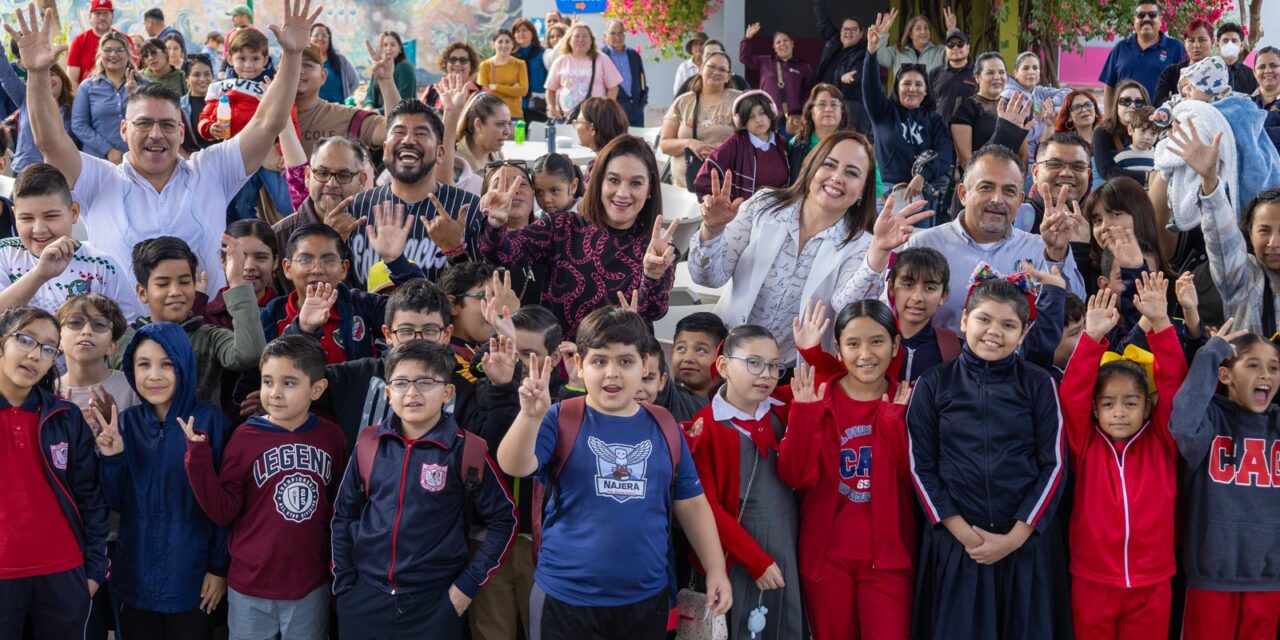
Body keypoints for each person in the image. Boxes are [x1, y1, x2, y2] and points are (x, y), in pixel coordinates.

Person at [13, 0, 318, 294]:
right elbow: (50, 141)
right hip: (119, 329)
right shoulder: (99, 180)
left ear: (181, 131)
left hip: (205, 326)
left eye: (168, 125)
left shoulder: (211, 171)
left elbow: (267, 123)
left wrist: (292, 55)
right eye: (144, 124)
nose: (156, 134)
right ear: (124, 130)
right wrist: (37, 74)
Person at [496, 306, 733, 639]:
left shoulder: (664, 424)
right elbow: (514, 465)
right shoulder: (561, 417)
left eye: (625, 361)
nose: (612, 373)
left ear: (644, 365)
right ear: (580, 365)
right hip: (566, 598)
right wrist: (529, 417)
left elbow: (691, 503)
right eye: (599, 361)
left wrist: (716, 568)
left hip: (645, 599)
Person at [907, 279, 1066, 640]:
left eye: (1008, 325)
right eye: (984, 319)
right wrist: (966, 536)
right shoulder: (933, 383)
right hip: (959, 546)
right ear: (964, 320)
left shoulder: (1038, 384)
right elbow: (921, 467)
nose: (994, 332)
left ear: (1023, 334)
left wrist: (1014, 537)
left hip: (1024, 545)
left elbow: (1054, 465)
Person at [332, 341, 517, 639]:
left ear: (447, 392)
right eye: (401, 383)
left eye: (425, 382)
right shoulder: (368, 444)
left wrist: (466, 588)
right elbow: (343, 515)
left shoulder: (467, 450)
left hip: (435, 602)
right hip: (364, 597)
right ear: (388, 392)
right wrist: (344, 583)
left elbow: (504, 520)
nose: (412, 392)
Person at [182, 336, 348, 640]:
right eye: (268, 381)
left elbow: (340, 510)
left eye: (289, 383)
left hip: (310, 583)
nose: (275, 392)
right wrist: (198, 460)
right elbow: (223, 511)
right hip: (250, 584)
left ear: (317, 389)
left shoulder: (332, 437)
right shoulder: (244, 437)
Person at [689, 130, 902, 363]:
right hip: (727, 358)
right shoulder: (763, 206)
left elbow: (847, 310)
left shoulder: (863, 245)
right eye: (829, 165)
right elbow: (708, 278)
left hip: (794, 375)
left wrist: (879, 253)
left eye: (851, 173)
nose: (836, 177)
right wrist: (712, 231)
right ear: (811, 168)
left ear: (863, 190)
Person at [782, 301, 917, 639]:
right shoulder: (816, 398)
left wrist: (892, 422)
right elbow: (795, 476)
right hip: (826, 561)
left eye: (877, 341)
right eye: (853, 343)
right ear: (839, 351)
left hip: (890, 563)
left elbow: (915, 480)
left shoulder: (908, 401)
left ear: (895, 346)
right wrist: (804, 415)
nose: (865, 354)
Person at [1060, 284, 1187, 639]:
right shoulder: (1085, 445)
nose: (1119, 412)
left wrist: (1161, 324)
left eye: (1130, 403)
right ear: (1094, 409)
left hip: (1153, 580)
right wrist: (1091, 337)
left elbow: (1175, 384)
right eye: (1108, 404)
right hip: (1092, 579)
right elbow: (1072, 393)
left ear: (1147, 407)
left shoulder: (1162, 442)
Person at [95, 322, 232, 640]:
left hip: (192, 578)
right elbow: (116, 501)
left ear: (184, 364)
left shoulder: (211, 422)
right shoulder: (126, 423)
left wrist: (218, 567)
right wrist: (112, 457)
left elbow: (226, 506)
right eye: (143, 364)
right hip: (136, 577)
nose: (154, 375)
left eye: (167, 364)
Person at [479, 136, 676, 339]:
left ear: (650, 189)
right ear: (599, 182)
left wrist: (652, 276)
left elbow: (652, 312)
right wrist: (496, 225)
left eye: (636, 183)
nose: (623, 193)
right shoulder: (561, 227)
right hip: (557, 355)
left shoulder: (656, 248)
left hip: (619, 355)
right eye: (613, 180)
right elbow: (501, 254)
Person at [687, 324, 805, 640]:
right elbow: (706, 507)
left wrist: (809, 350)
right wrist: (756, 560)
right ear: (723, 365)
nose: (766, 374)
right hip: (737, 546)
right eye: (754, 363)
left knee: (785, 623)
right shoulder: (705, 427)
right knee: (742, 623)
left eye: (774, 366)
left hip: (787, 536)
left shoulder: (785, 406)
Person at [0, 307, 110, 640]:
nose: (36, 355)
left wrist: (93, 573)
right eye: (25, 340)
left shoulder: (65, 416)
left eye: (49, 348)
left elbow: (90, 496)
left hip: (63, 574)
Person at [1171, 317, 1280, 640]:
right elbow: (1183, 425)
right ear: (1225, 375)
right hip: (1211, 577)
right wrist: (1209, 355)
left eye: (1274, 368)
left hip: (1269, 579)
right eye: (1253, 365)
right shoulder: (1209, 420)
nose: (1266, 374)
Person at [903, 145, 1086, 333]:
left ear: (1020, 200)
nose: (997, 199)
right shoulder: (924, 245)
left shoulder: (1042, 249)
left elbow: (1073, 317)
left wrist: (1057, 255)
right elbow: (894, 311)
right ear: (963, 194)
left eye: (1009, 191)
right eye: (986, 188)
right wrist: (883, 254)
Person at [346, 98, 484, 284]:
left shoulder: (468, 210)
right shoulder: (356, 209)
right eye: (399, 132)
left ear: (440, 153)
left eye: (421, 133)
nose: (409, 140)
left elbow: (482, 291)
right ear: (385, 149)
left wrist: (455, 250)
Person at [266, 218, 425, 363]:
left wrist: (396, 261)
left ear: (344, 268)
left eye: (329, 260)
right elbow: (273, 370)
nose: (317, 269)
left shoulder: (362, 305)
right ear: (287, 268)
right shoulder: (271, 316)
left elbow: (423, 308)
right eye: (305, 260)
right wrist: (303, 328)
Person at [0, 163, 144, 321]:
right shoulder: (4, 253)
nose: (39, 229)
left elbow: (130, 327)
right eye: (27, 218)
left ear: (74, 212)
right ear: (15, 215)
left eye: (51, 216)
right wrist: (39, 274)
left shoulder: (102, 266)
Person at [862, 15, 952, 216]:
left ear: (926, 91)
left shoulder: (934, 119)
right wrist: (871, 52)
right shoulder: (882, 112)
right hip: (886, 196)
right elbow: (870, 85)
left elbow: (945, 155)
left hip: (922, 196)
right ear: (897, 88)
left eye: (919, 84)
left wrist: (922, 175)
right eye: (906, 84)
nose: (912, 89)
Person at [294, 42, 401, 158]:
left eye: (308, 65)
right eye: (292, 64)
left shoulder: (345, 117)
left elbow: (392, 132)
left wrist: (386, 81)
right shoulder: (277, 118)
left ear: (323, 76)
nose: (299, 70)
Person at [273, 135, 370, 253]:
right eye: (322, 173)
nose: (331, 184)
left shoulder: (379, 229)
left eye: (344, 175)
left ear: (361, 181)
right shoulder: (278, 238)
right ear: (307, 176)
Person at [660, 51, 742, 190]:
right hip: (684, 188)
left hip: (727, 187)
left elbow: (755, 138)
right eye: (711, 66)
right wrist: (690, 144)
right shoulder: (683, 101)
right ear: (701, 69)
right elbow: (664, 144)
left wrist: (726, 149)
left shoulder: (739, 101)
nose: (716, 72)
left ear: (728, 77)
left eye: (722, 69)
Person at [694, 90, 789, 202]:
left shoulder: (781, 142)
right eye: (750, 116)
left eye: (762, 113)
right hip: (747, 209)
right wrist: (709, 197)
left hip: (781, 205)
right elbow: (704, 176)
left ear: (771, 112)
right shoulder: (734, 144)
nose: (758, 120)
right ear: (741, 121)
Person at [56, 293, 140, 416]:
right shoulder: (47, 393)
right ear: (58, 340)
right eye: (75, 322)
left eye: (100, 324)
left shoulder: (132, 388)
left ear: (111, 346)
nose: (87, 331)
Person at [1099, 2, 1185, 110]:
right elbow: (1109, 86)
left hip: (1160, 117)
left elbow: (1184, 86)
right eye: (1141, 15)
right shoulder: (1120, 48)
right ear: (1134, 20)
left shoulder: (1176, 48)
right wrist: (1108, 117)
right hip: (1125, 117)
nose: (1146, 18)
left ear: (1160, 19)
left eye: (1152, 14)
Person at [0, 48, 74, 173]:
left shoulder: (74, 107)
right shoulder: (26, 98)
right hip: (23, 171)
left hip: (57, 174)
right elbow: (5, 74)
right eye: (43, 77)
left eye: (52, 74)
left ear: (62, 77)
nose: (48, 79)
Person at [951, 52, 1030, 169]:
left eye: (1001, 72)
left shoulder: (1013, 107)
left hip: (1011, 177)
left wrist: (1018, 179)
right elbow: (965, 160)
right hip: (978, 177)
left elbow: (1023, 156)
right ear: (977, 77)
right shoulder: (965, 107)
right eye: (990, 73)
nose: (997, 77)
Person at [70, 31, 137, 164]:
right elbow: (79, 125)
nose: (113, 54)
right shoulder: (87, 87)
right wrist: (107, 150)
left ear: (128, 54)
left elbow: (153, 118)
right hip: (98, 161)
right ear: (100, 54)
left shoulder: (142, 84)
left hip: (136, 159)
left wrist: (137, 95)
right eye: (107, 50)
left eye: (119, 50)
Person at [740, 22, 814, 134]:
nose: (782, 44)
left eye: (785, 40)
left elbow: (809, 90)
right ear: (774, 47)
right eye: (778, 42)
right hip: (767, 116)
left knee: (790, 145)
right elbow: (744, 58)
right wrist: (747, 38)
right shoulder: (765, 61)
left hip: (790, 119)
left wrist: (801, 108)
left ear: (792, 43)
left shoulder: (802, 66)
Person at [545, 23, 622, 122]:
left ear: (591, 41)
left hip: (594, 119)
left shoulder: (602, 59)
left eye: (585, 36)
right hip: (566, 119)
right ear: (569, 40)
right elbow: (550, 89)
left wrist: (606, 109)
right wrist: (552, 107)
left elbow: (613, 87)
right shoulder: (560, 61)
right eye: (576, 36)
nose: (581, 40)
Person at [812, 0, 869, 132]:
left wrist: (852, 76)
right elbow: (822, 20)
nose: (849, 32)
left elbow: (861, 73)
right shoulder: (834, 41)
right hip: (824, 104)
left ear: (861, 34)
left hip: (847, 110)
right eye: (845, 29)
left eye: (853, 29)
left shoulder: (864, 53)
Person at [786, 83, 851, 184]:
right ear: (811, 112)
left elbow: (873, 186)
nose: (828, 109)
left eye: (834, 104)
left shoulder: (854, 146)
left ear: (842, 111)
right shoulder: (795, 144)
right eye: (822, 105)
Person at [1093, 79, 1150, 182]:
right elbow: (1106, 171)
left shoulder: (1153, 131)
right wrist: (1147, 177)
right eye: (1126, 101)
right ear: (1116, 104)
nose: (1132, 106)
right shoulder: (1102, 132)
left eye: (1139, 102)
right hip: (1115, 189)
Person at [65, 0, 129, 86]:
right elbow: (72, 80)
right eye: (97, 13)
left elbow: (134, 71)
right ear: (90, 16)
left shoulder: (125, 40)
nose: (102, 18)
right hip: (89, 93)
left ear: (112, 16)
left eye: (106, 13)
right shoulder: (79, 42)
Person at [874, 7, 953, 75]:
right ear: (910, 34)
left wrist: (952, 31)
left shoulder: (940, 51)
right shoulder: (898, 52)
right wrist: (884, 32)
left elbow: (954, 55)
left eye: (926, 28)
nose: (923, 31)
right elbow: (879, 55)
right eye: (918, 28)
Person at [1154, 19, 1215, 107]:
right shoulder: (1171, 72)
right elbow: (1158, 103)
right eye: (1191, 40)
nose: (1196, 45)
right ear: (1185, 43)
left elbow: (1224, 101)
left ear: (1212, 42)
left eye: (1202, 40)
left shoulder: (1221, 70)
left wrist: (1174, 98)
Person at [671, 312, 728, 399]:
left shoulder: (734, 402)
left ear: (721, 358)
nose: (688, 358)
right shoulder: (668, 397)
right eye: (681, 348)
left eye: (701, 350)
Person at [602, 20, 648, 127]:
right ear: (605, 36)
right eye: (613, 33)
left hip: (636, 112)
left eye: (620, 33)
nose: (617, 37)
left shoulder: (633, 55)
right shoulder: (601, 56)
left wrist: (642, 101)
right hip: (614, 113)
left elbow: (641, 80)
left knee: (637, 138)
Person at [456, 92, 513, 175]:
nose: (508, 132)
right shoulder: (456, 160)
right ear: (478, 125)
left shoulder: (498, 156)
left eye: (509, 123)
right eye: (500, 124)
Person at [479, 29, 530, 120]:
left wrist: (496, 87)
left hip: (515, 115)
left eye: (507, 42)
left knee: (519, 132)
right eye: (500, 42)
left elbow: (523, 91)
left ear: (512, 44)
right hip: (492, 115)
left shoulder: (520, 64)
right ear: (493, 45)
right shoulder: (485, 65)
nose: (504, 45)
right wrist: (513, 90)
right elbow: (483, 93)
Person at [362, 31, 416, 114]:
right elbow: (370, 95)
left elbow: (405, 101)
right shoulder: (379, 66)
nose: (388, 48)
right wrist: (369, 106)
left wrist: (377, 111)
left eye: (393, 45)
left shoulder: (404, 67)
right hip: (379, 116)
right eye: (385, 45)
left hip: (402, 117)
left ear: (400, 49)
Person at [422, 42, 482, 111]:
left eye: (463, 60)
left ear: (471, 65)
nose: (457, 64)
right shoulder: (431, 91)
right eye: (452, 60)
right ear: (445, 63)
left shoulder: (482, 92)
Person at [930, 29, 975, 120]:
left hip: (971, 127)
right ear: (945, 49)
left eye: (960, 44)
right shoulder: (935, 73)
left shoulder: (978, 73)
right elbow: (928, 103)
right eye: (950, 44)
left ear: (968, 47)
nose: (955, 48)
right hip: (940, 127)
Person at [308, 23, 358, 104]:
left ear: (329, 40)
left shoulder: (340, 60)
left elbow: (354, 82)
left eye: (324, 36)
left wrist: (346, 95)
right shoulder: (303, 61)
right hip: (312, 109)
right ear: (309, 38)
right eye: (316, 35)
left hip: (338, 108)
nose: (320, 38)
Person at [181, 53, 219, 153]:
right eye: (196, 75)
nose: (202, 79)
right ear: (187, 78)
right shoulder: (179, 106)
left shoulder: (225, 101)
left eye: (207, 74)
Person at [512, 18, 548, 122]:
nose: (521, 33)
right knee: (518, 133)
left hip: (538, 106)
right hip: (516, 108)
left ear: (532, 33)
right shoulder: (510, 57)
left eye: (525, 30)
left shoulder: (542, 54)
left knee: (537, 132)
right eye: (517, 31)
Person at [1112, 105, 1157, 184]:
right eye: (1143, 131)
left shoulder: (1158, 156)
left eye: (1153, 133)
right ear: (1131, 130)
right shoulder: (1121, 157)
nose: (1147, 137)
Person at [529, 150, 584, 215]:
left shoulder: (587, 217)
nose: (546, 199)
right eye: (539, 192)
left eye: (554, 190)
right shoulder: (538, 217)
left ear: (573, 186)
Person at [1215, 22, 1257, 96]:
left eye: (1234, 41)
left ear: (1241, 45)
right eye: (1225, 41)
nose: (1230, 44)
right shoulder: (1208, 71)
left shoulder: (1251, 74)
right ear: (1217, 45)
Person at [1254, 46, 1280, 149]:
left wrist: (1252, 133)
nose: (1268, 70)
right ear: (1254, 73)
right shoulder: (1246, 103)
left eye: (1274, 66)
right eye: (1261, 67)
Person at [673, 31, 708, 97]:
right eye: (695, 44)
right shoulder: (684, 67)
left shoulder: (712, 66)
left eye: (702, 44)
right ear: (691, 48)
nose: (699, 47)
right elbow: (677, 91)